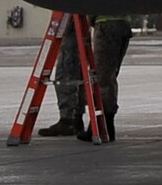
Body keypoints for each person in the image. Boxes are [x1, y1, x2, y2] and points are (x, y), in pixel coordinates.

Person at [40, 13, 133, 141]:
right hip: (119, 23)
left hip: (106, 24)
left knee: (102, 77)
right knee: (107, 76)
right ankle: (101, 124)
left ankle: (100, 125)